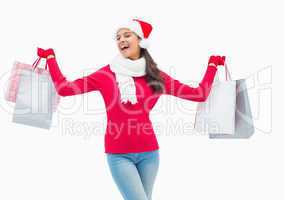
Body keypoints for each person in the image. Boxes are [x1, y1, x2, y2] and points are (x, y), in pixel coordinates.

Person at [37, 18, 225, 200]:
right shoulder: (106, 74)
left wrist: (212, 67)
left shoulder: (156, 76)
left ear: (140, 41)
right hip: (119, 155)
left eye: (127, 35)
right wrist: (52, 59)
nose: (121, 40)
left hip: (150, 153)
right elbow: (65, 89)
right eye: (118, 38)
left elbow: (197, 94)